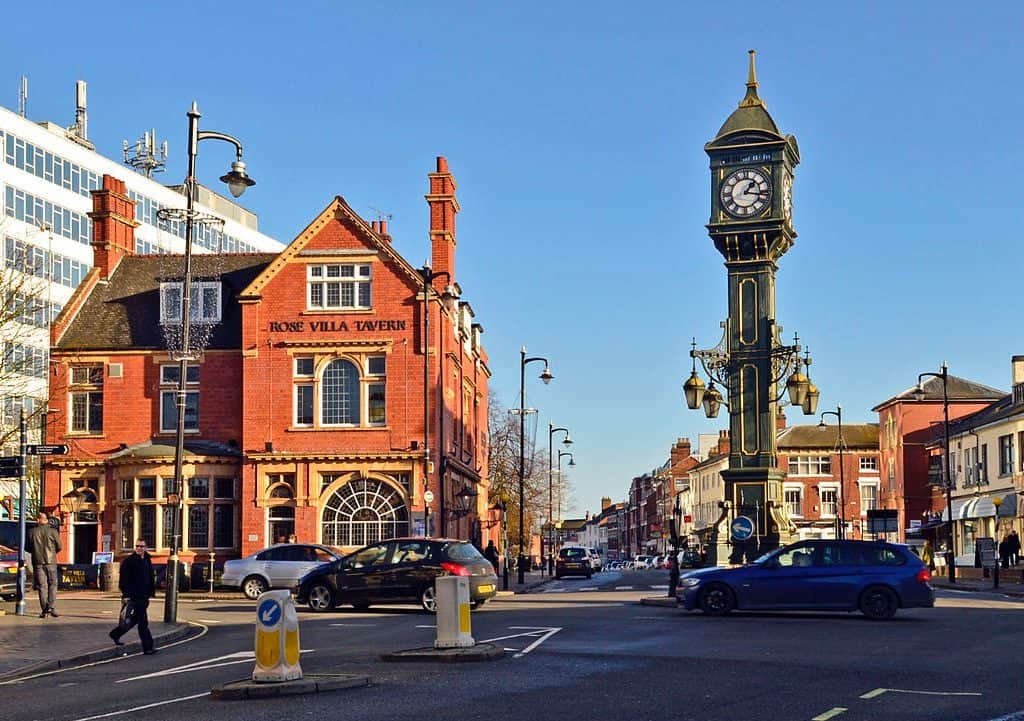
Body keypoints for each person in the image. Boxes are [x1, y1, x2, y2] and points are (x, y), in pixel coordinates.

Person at [109, 538, 157, 655]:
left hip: (145, 596)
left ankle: (115, 634)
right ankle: (148, 647)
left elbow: (150, 576)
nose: (139, 548)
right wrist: (126, 595)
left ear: (146, 548)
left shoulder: (147, 559)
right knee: (143, 622)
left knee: (134, 619)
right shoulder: (129, 561)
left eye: (141, 546)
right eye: (137, 546)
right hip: (134, 596)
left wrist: (151, 591)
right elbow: (124, 580)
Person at [28, 512, 61, 618]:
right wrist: (52, 553)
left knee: (42, 586)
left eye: (38, 519)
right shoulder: (53, 531)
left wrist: (36, 552)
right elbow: (59, 546)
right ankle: (50, 606)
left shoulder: (32, 532)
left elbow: (28, 547)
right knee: (53, 584)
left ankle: (44, 609)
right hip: (51, 562)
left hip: (37, 562)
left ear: (42, 520)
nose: (36, 520)